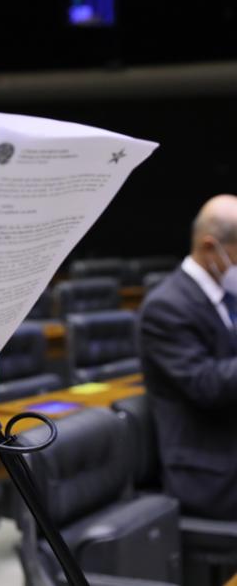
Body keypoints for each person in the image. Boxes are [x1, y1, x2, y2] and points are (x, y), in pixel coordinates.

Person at [138, 194, 237, 520]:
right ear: (211, 247)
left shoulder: (226, 296)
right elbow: (207, 386)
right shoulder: (167, 306)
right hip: (210, 471)